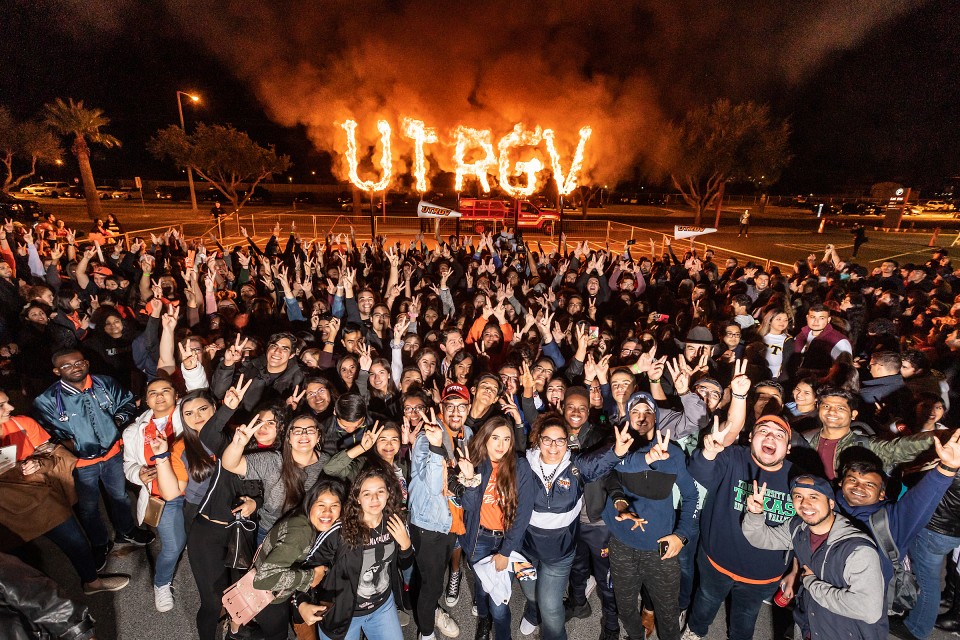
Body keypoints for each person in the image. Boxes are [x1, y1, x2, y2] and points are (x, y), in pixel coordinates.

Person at [33, 349, 154, 569]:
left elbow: (127, 403)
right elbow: (47, 435)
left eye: (79, 362)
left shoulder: (105, 383)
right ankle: (100, 543)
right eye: (67, 365)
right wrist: (73, 445)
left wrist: (115, 422)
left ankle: (127, 532)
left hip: (113, 455)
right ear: (56, 370)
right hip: (80, 464)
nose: (75, 367)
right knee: (88, 507)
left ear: (87, 362)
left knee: (120, 496)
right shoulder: (47, 400)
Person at [0, 390, 129, 596]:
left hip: (41, 497)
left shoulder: (21, 423)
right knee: (17, 563)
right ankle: (33, 606)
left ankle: (92, 583)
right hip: (6, 511)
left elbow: (49, 450)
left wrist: (39, 462)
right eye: (2, 406)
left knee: (76, 542)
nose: (11, 408)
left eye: (7, 403)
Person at [517, 412, 632, 639]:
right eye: (547, 439)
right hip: (525, 551)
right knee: (531, 594)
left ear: (567, 442)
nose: (553, 446)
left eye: (560, 440)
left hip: (559, 554)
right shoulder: (523, 465)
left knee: (550, 608)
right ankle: (532, 609)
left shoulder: (576, 467)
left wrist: (617, 451)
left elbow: (599, 463)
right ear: (538, 440)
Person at [683, 415, 796, 640]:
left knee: (746, 617)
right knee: (705, 601)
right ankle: (695, 631)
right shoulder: (732, 457)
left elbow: (805, 530)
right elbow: (699, 472)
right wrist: (709, 452)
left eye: (779, 434)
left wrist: (795, 570)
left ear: (788, 448)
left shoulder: (798, 478)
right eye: (763, 431)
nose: (770, 436)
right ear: (751, 437)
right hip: (716, 562)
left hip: (763, 575)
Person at [742, 474, 887, 639]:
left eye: (814, 496)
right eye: (798, 496)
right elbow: (761, 538)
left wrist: (812, 583)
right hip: (808, 625)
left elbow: (869, 610)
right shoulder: (798, 528)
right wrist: (755, 514)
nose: (805, 503)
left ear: (831, 503)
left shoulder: (857, 550)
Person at [603, 392, 698, 640]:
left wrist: (682, 535)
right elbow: (609, 473)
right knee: (625, 608)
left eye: (647, 411)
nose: (641, 416)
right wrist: (621, 504)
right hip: (622, 545)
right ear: (627, 416)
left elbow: (691, 497)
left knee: (667, 614)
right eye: (635, 411)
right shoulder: (618, 449)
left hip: (660, 548)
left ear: (657, 417)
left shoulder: (674, 454)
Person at [298, 464, 413, 640]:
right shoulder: (339, 531)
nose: (374, 498)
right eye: (367, 493)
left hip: (382, 607)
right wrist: (301, 603)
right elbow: (307, 567)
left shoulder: (395, 522)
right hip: (342, 612)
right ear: (357, 498)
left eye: (380, 491)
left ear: (389, 493)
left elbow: (406, 565)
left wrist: (405, 546)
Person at [456, 416, 535, 640]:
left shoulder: (519, 466)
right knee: (481, 588)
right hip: (478, 538)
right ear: (485, 439)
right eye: (495, 438)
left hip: (505, 541)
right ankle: (483, 619)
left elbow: (523, 513)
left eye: (507, 439)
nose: (501, 445)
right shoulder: (475, 462)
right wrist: (470, 478)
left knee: (499, 604)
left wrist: (505, 551)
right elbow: (469, 507)